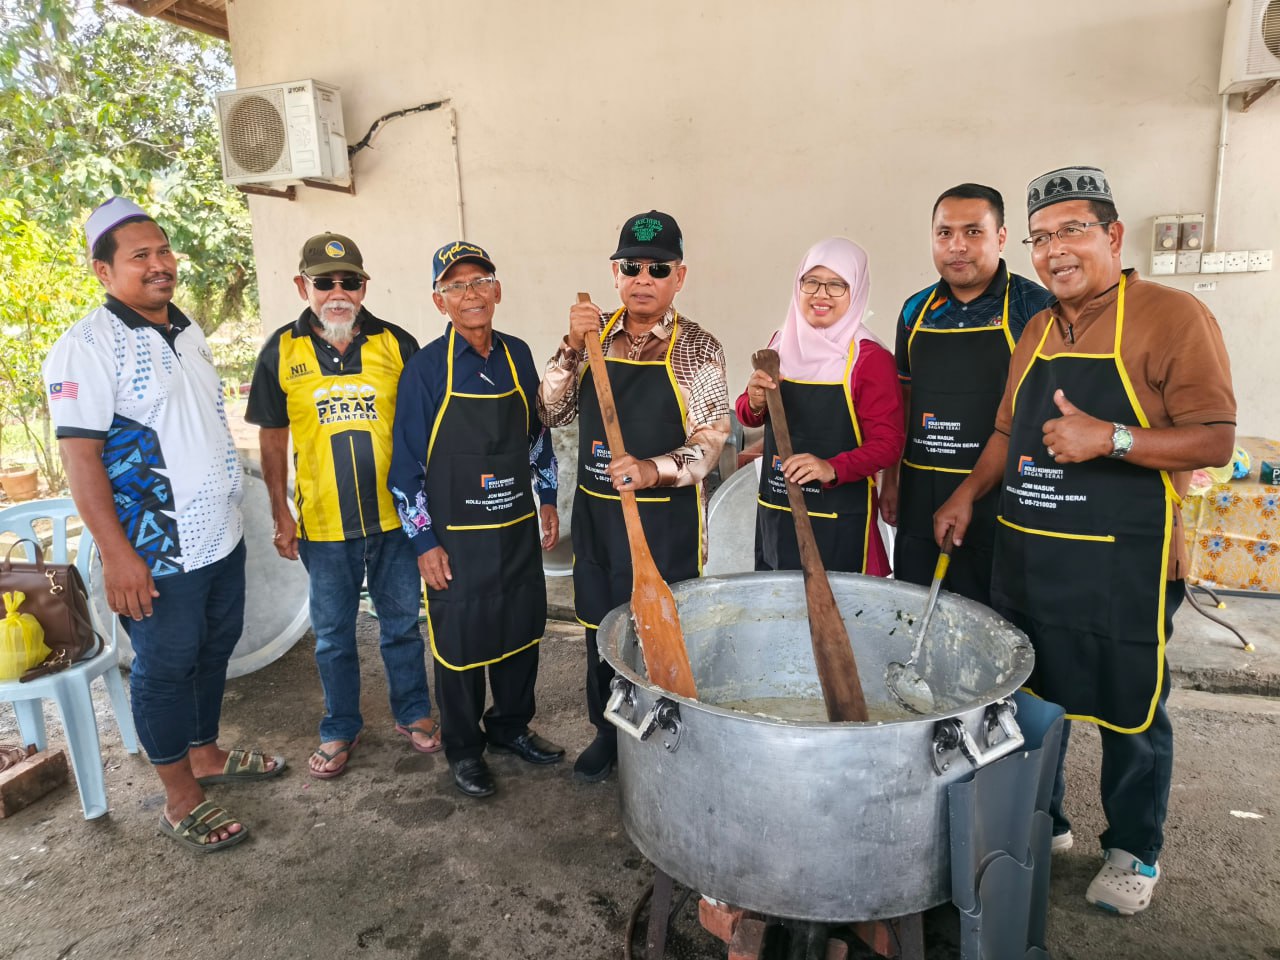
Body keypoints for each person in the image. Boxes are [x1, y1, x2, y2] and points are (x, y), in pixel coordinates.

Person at [934, 166, 1236, 915]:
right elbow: (1006, 430)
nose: (1054, 250)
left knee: (1130, 703)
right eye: (1041, 238)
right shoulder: (1037, 328)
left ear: (1113, 235)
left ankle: (1134, 848)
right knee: (1039, 697)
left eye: (1072, 230)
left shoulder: (1173, 316)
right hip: (1033, 552)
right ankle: (1051, 819)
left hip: (1123, 560)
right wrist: (967, 494)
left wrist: (1112, 438)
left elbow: (1215, 439)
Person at [44, 197, 284, 853]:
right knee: (164, 667)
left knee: (213, 647)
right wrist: (118, 555)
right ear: (103, 271)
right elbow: (81, 460)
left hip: (219, 535)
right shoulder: (86, 348)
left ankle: (204, 753)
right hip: (157, 548)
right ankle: (179, 797)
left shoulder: (186, 328)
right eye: (140, 256)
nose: (159, 264)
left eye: (163, 251)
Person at [538, 210, 730, 782]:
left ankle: (668, 735)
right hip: (599, 519)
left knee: (662, 633)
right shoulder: (592, 337)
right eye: (632, 267)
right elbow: (550, 412)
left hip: (666, 525)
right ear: (615, 273)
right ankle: (608, 733)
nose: (644, 278)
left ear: (679, 276)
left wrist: (651, 470)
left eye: (658, 268)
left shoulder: (699, 349)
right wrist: (570, 347)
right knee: (600, 629)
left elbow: (710, 442)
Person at [245, 232, 437, 780]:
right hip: (324, 526)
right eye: (324, 282)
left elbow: (426, 428)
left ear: (363, 288)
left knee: (402, 625)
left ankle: (413, 712)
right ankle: (340, 725)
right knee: (332, 636)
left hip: (395, 520)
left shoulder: (397, 344)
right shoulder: (281, 350)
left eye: (348, 281)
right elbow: (273, 438)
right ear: (301, 286)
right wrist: (280, 512)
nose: (337, 292)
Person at [388, 241, 562, 799]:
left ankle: (511, 727)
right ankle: (465, 750)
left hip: (514, 529)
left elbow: (537, 434)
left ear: (498, 290)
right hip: (455, 542)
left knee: (520, 631)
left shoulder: (518, 355)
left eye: (480, 281)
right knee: (461, 648)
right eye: (456, 286)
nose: (471, 294)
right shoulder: (424, 370)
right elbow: (405, 468)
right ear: (439, 301)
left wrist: (548, 497)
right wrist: (423, 542)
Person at [881, 184, 1051, 603]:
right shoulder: (915, 310)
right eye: (945, 233)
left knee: (996, 612)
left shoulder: (1035, 309)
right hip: (922, 492)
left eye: (973, 232)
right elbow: (904, 401)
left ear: (1001, 237)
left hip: (1005, 493)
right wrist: (892, 480)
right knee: (916, 607)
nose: (957, 246)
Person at [735, 238, 903, 574]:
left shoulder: (870, 359)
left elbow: (888, 444)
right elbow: (749, 416)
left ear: (857, 291)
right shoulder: (779, 343)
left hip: (840, 523)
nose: (820, 294)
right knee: (776, 602)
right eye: (811, 282)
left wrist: (831, 468)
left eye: (837, 285)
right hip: (778, 512)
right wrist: (753, 401)